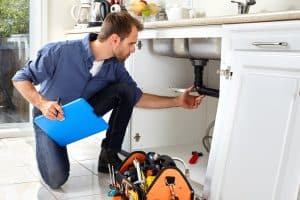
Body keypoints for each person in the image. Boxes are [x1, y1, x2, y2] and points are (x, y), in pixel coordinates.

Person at [12, 11, 205, 189]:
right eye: (131, 43)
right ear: (114, 39)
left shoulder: (115, 68)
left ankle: (108, 155)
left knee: (126, 90)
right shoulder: (59, 52)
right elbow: (20, 78)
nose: (133, 49)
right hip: (50, 119)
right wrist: (43, 103)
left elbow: (136, 97)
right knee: (56, 180)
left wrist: (177, 101)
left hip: (80, 115)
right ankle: (52, 146)